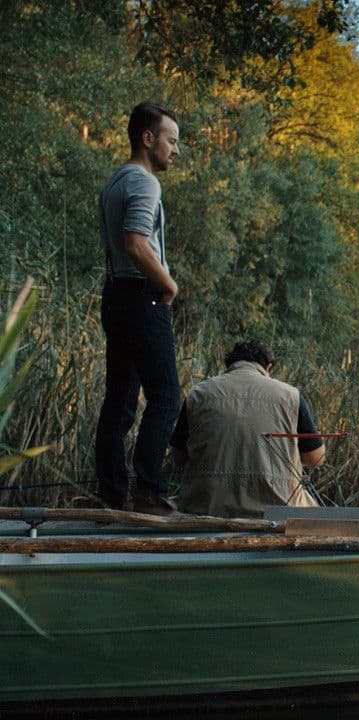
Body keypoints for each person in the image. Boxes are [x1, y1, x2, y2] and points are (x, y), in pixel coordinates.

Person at [91, 102, 183, 515]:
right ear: (148, 139)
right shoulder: (145, 183)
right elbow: (135, 241)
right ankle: (149, 487)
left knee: (121, 399)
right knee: (166, 398)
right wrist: (167, 282)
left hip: (115, 296)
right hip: (143, 296)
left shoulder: (114, 182)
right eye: (171, 140)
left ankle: (112, 491)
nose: (175, 150)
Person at [170, 341, 327, 519]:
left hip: (205, 509)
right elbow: (316, 458)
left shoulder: (198, 394)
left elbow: (179, 457)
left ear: (229, 366)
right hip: (275, 513)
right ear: (268, 367)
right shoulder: (290, 396)